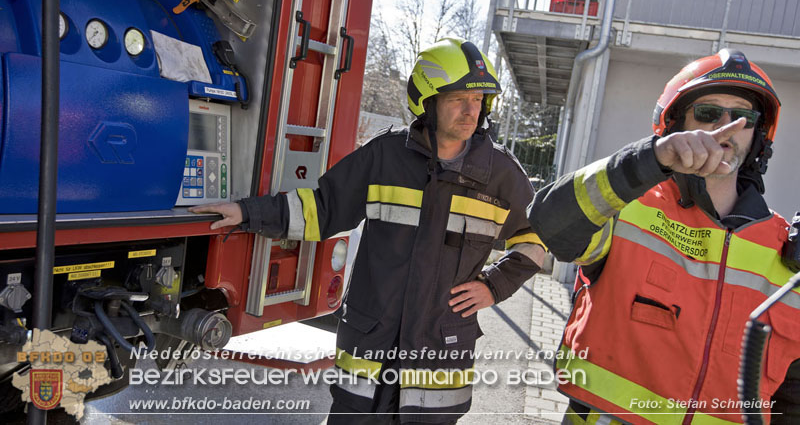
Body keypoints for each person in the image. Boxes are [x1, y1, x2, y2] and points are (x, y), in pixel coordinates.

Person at [191, 38, 547, 423]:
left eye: (478, 101)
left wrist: (494, 285)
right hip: (368, 356)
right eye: (458, 99)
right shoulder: (384, 158)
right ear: (428, 102)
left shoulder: (501, 176)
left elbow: (538, 239)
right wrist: (245, 212)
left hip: (437, 369)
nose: (470, 111)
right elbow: (319, 209)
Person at [527, 49, 800, 425]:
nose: (726, 126)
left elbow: (793, 394)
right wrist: (649, 160)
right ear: (675, 126)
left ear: (758, 135)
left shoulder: (787, 251)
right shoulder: (627, 206)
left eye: (742, 116)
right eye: (707, 113)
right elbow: (548, 221)